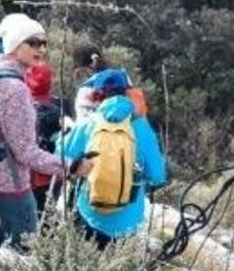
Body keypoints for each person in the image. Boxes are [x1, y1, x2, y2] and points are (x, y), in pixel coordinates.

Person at [0, 14, 89, 250]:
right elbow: (26, 152)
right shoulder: (15, 90)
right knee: (21, 254)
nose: (41, 49)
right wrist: (73, 166)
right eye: (33, 42)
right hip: (8, 187)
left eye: (44, 43)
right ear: (15, 45)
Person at [59, 68, 168, 247]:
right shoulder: (142, 129)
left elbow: (61, 153)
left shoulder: (89, 124)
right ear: (127, 93)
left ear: (97, 96)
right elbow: (157, 175)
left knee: (85, 257)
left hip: (89, 212)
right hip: (128, 219)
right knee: (116, 261)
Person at [25, 63, 63, 214]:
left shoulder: (21, 107)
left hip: (26, 176)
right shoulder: (59, 107)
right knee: (48, 215)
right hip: (53, 173)